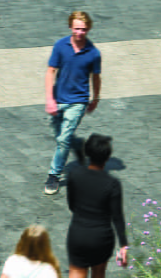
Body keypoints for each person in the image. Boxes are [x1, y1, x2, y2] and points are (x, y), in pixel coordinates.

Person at [44, 11, 101, 195]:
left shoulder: (93, 53)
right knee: (59, 136)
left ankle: (54, 175)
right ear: (70, 27)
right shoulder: (60, 46)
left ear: (89, 29)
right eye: (76, 28)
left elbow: (96, 77)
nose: (80, 32)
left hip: (78, 100)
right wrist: (49, 99)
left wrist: (95, 98)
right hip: (58, 99)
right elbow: (50, 71)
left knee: (63, 139)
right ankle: (76, 144)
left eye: (83, 29)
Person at [65, 134, 128, 278]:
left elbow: (72, 205)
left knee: (76, 271)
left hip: (78, 233)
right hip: (101, 237)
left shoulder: (74, 175)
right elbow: (117, 217)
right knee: (99, 274)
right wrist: (123, 245)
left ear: (88, 153)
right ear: (107, 157)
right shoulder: (112, 184)